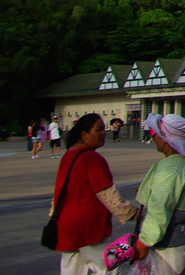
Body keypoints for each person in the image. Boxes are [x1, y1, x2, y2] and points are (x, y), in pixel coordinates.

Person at [51, 113, 138, 275]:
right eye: (98, 130)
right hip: (88, 228)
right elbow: (107, 194)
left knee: (72, 271)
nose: (103, 133)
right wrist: (130, 213)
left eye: (104, 129)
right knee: (109, 267)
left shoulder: (68, 156)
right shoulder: (92, 158)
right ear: (84, 135)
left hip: (67, 227)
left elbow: (59, 191)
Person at [130, 114, 185, 275]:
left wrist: (143, 242)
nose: (153, 138)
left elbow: (159, 209)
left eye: (153, 133)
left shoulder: (169, 170)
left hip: (169, 246)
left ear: (164, 138)